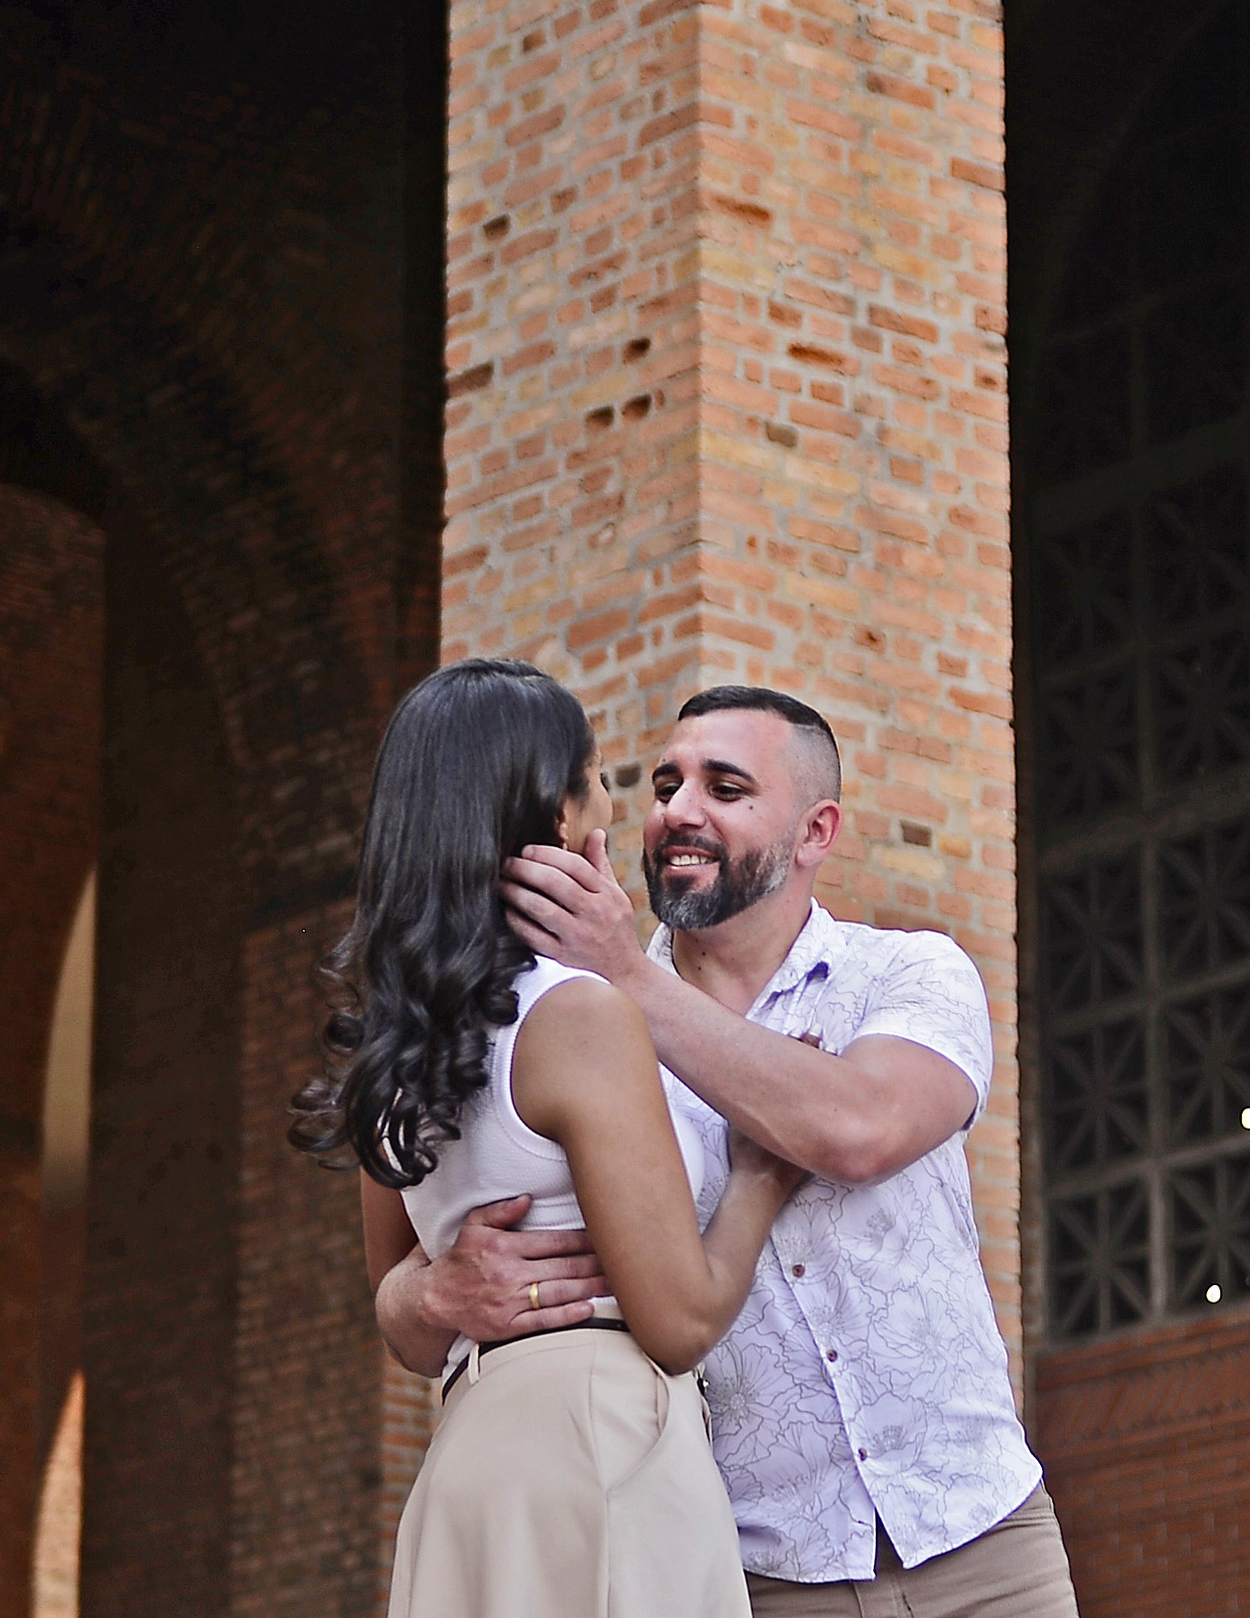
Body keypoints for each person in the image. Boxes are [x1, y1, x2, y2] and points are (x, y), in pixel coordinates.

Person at [371, 684, 1080, 1618]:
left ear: (815, 831)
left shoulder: (906, 974)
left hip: (980, 1539)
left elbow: (858, 1131)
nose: (677, 810)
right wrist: (425, 1295)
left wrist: (628, 976)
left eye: (726, 786)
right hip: (755, 1568)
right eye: (665, 783)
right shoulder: (575, 1025)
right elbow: (412, 1269)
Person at [292, 659, 796, 1618]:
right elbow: (680, 1320)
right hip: (599, 1438)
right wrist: (762, 1177)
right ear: (552, 815)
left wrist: (432, 1291)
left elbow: (394, 1305)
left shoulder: (400, 1041)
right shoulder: (576, 1016)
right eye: (599, 779)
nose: (608, 808)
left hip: (471, 1457)